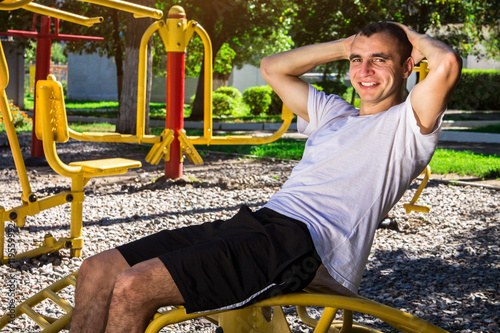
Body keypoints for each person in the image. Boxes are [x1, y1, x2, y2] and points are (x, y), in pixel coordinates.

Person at [70, 22, 461, 333]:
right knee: (98, 270)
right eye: (357, 60)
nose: (365, 71)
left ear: (407, 66)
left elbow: (446, 64)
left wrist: (404, 34)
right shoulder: (335, 114)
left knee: (134, 287)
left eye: (380, 59)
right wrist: (348, 44)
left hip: (304, 246)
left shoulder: (407, 125)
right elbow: (273, 67)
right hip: (258, 224)